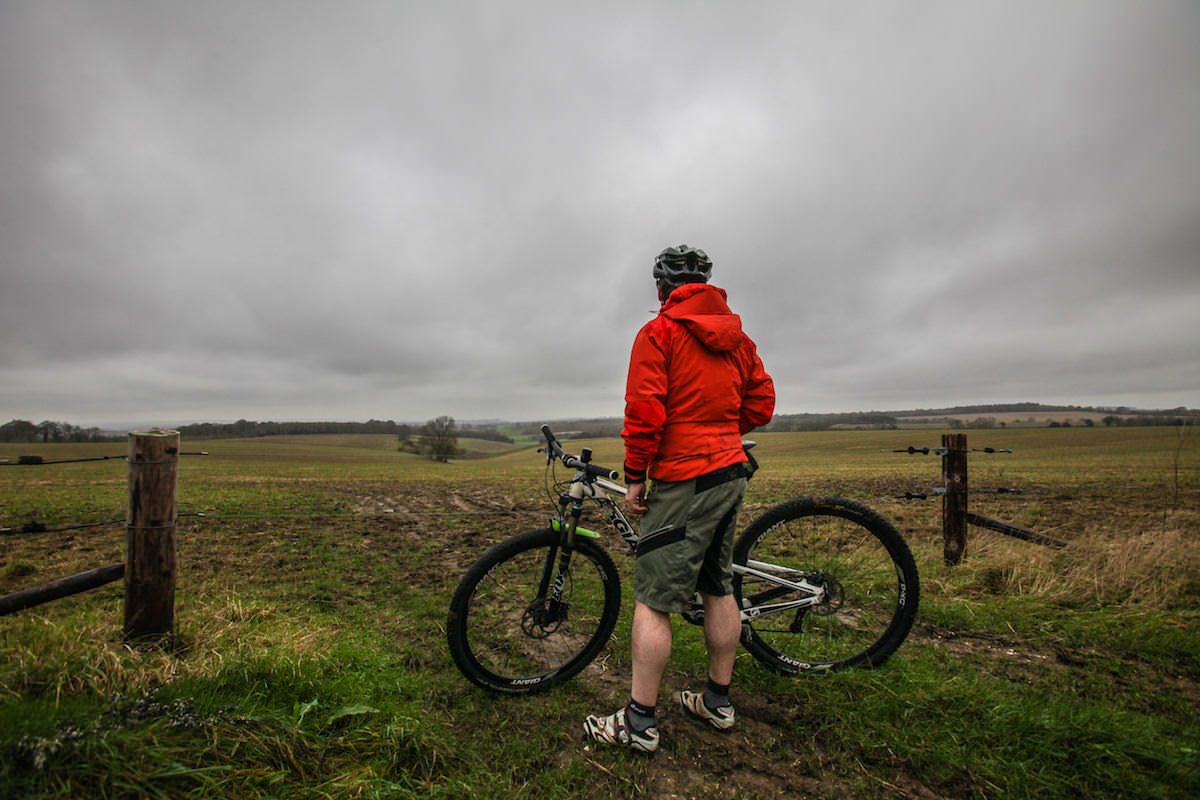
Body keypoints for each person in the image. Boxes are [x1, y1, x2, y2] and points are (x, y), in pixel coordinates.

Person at [584, 244, 775, 753]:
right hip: (730, 470)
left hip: (686, 478)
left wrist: (635, 476)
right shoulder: (739, 338)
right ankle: (717, 700)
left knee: (652, 599)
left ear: (661, 289)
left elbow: (644, 412)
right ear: (708, 285)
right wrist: (720, 432)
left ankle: (639, 722)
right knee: (718, 584)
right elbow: (762, 403)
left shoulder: (659, 333)